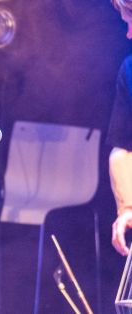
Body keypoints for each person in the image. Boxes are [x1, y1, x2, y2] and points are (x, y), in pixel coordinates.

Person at [110, 0, 132, 256]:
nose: (128, 34)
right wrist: (127, 207)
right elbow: (123, 147)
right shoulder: (129, 70)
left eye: (130, 23)